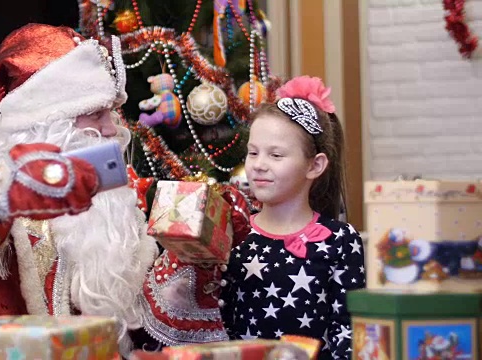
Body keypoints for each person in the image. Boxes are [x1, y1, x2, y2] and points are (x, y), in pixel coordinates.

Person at [0, 24, 159, 355]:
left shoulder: (115, 205)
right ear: (47, 124)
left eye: (111, 113)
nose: (112, 130)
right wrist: (2, 191)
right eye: (95, 114)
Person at [134, 76, 365, 360]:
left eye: (276, 155)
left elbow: (350, 332)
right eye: (253, 153)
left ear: (315, 165)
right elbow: (209, 322)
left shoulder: (341, 240)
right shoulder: (232, 234)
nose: (259, 165)